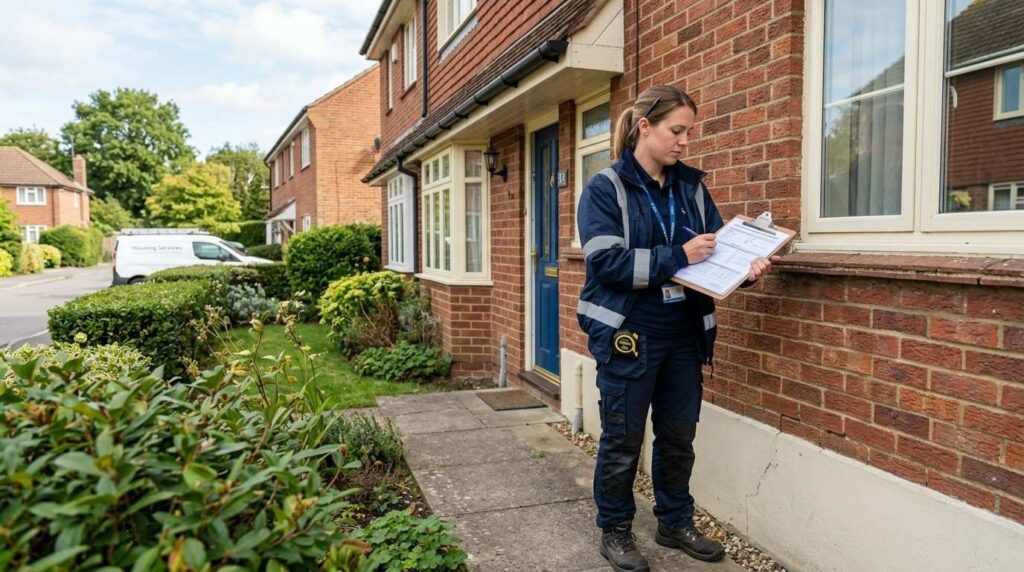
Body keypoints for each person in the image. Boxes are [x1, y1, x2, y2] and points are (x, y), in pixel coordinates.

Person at [576, 84, 777, 572]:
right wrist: (676, 257)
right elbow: (606, 262)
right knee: (623, 439)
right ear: (645, 127)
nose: (685, 141)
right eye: (676, 130)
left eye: (689, 132)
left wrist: (743, 271)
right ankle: (617, 529)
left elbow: (713, 253)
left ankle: (674, 521)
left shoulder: (690, 188)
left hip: (684, 335)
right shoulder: (606, 188)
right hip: (630, 334)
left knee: (678, 435)